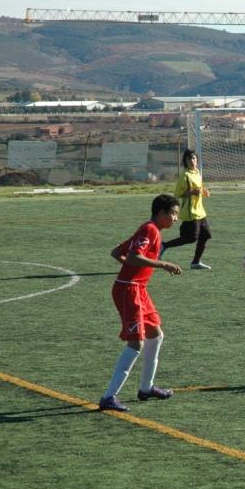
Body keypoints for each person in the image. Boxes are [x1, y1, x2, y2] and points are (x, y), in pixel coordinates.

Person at [99, 194, 183, 412]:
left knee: (156, 334)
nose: (176, 218)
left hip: (138, 289)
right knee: (136, 344)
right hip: (129, 290)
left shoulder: (149, 229)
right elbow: (134, 256)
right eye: (173, 213)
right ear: (161, 213)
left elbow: (117, 253)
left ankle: (146, 388)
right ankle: (109, 397)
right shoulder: (150, 230)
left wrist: (134, 270)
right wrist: (162, 264)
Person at [161, 149, 213, 269]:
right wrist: (191, 192)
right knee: (191, 238)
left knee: (206, 235)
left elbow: (199, 188)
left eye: (194, 158)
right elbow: (177, 194)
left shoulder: (197, 172)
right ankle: (164, 245)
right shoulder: (185, 175)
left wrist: (203, 191)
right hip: (191, 212)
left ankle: (195, 262)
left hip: (200, 211)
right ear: (185, 161)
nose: (192, 161)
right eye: (189, 159)